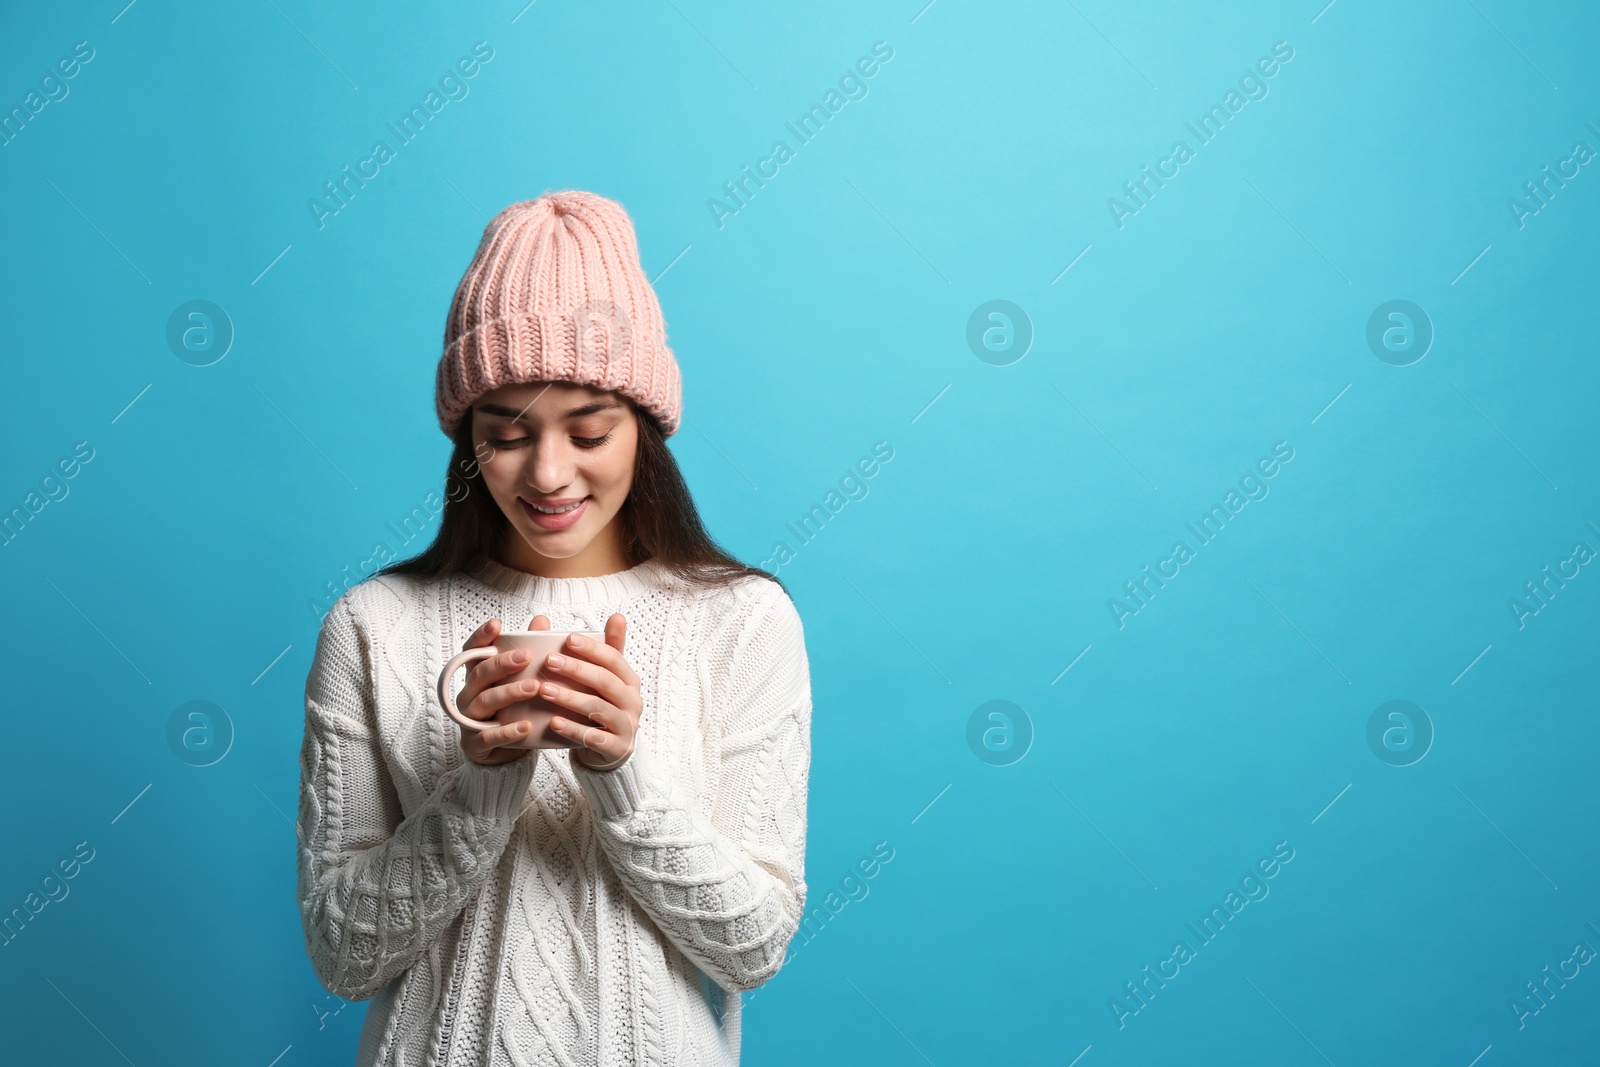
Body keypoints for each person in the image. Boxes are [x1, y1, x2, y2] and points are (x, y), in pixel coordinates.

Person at [295, 190, 813, 1066]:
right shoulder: (373, 626)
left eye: (588, 430)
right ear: (468, 440)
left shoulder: (743, 619)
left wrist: (621, 772)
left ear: (644, 428)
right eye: (506, 433)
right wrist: (482, 781)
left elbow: (752, 948)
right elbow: (343, 958)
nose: (547, 471)